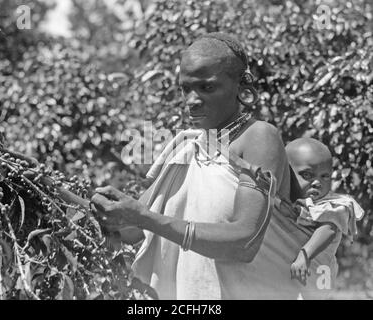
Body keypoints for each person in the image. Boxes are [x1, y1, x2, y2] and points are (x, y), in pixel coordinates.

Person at [90, 32, 329, 299]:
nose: (191, 101)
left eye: (207, 87)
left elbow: (244, 243)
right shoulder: (188, 150)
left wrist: (145, 217)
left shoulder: (259, 138)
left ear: (242, 91)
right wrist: (49, 189)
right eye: (185, 89)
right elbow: (130, 230)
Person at [286, 138, 364, 295]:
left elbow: (329, 229)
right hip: (301, 275)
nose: (317, 182)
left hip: (319, 274)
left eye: (324, 176)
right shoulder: (294, 201)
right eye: (307, 175)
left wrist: (304, 255)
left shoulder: (333, 205)